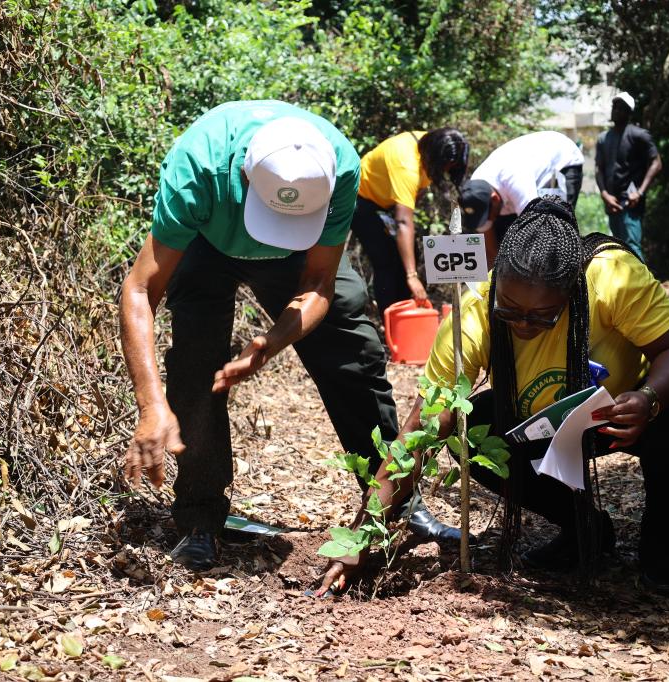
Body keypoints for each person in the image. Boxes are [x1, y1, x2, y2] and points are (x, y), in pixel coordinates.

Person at [317, 196, 669, 596]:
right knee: (471, 425)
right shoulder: (473, 315)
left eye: (543, 315)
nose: (524, 324)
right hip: (541, 425)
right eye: (510, 311)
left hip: (622, 418)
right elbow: (419, 433)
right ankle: (586, 529)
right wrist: (358, 539)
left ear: (571, 291)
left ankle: (659, 544)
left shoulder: (613, 276)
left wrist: (649, 399)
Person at [119, 100, 457, 572]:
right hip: (207, 242)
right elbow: (140, 289)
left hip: (302, 254)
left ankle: (397, 503)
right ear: (242, 176)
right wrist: (152, 406)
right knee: (196, 365)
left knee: (354, 349)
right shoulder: (200, 168)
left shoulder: (338, 169)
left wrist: (272, 342)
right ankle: (200, 519)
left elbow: (319, 284)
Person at [350, 128, 469, 315]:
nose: (445, 171)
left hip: (386, 204)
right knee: (386, 260)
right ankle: (393, 322)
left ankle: (408, 316)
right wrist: (412, 276)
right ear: (434, 157)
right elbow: (403, 222)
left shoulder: (433, 144)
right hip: (360, 199)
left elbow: (415, 195)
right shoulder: (405, 163)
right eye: (444, 167)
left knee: (409, 252)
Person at [458, 130, 585, 267]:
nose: (487, 221)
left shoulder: (516, 183)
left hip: (562, 159)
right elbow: (490, 248)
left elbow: (538, 230)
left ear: (494, 199)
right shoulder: (476, 193)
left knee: (556, 226)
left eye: (488, 217)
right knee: (504, 240)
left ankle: (570, 271)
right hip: (518, 184)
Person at [595, 92, 662, 262]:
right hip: (612, 203)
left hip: (631, 203)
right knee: (618, 249)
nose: (615, 111)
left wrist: (639, 193)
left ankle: (644, 288)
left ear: (628, 112)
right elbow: (598, 169)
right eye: (614, 107)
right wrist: (605, 195)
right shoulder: (604, 139)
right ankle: (627, 288)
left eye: (620, 108)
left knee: (632, 248)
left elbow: (656, 163)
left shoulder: (639, 135)